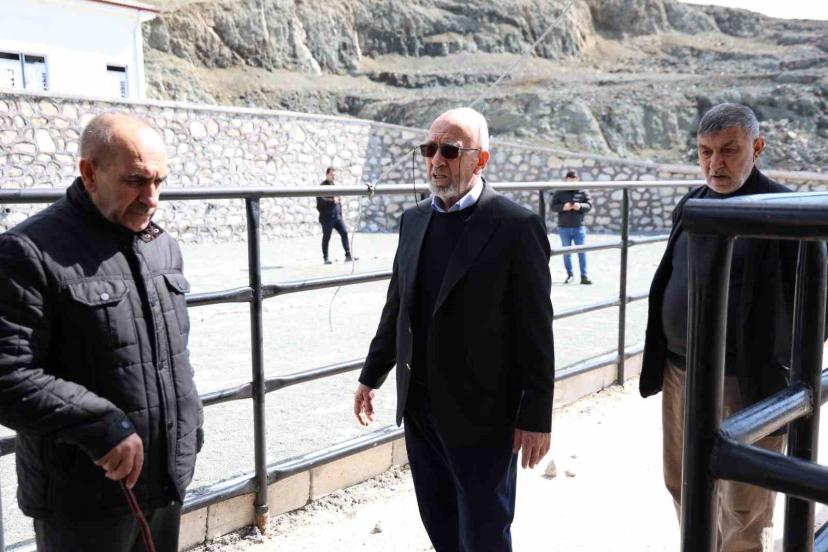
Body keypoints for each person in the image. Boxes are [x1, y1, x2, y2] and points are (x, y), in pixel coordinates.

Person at [353, 107, 555, 552]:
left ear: (481, 159)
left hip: (485, 415)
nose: (436, 160)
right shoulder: (413, 221)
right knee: (440, 526)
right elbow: (397, 307)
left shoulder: (516, 227)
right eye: (429, 149)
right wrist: (372, 375)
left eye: (449, 150)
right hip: (420, 408)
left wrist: (537, 416)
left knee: (484, 533)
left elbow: (537, 332)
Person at [0, 113, 203, 551]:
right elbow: (7, 375)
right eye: (136, 180)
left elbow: (174, 357)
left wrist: (190, 430)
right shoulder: (28, 252)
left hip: (165, 484)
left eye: (159, 182)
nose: (151, 199)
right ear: (89, 173)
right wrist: (99, 425)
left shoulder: (162, 247)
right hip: (82, 499)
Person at [640, 103, 798, 551]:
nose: (715, 164)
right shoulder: (693, 203)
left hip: (744, 384)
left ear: (757, 147)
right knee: (683, 483)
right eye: (705, 152)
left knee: (744, 505)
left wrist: (778, 359)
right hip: (681, 373)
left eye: (729, 150)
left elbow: (815, 304)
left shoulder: (783, 211)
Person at [550, 170, 592, 284]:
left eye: (574, 180)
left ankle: (584, 276)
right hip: (564, 227)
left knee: (582, 252)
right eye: (570, 180)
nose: (572, 182)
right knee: (566, 253)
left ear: (578, 179)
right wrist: (564, 207)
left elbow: (589, 205)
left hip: (579, 227)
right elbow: (553, 207)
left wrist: (580, 206)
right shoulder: (559, 192)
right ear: (566, 180)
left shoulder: (583, 191)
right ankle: (570, 275)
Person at [316, 167, 353, 264]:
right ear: (327, 174)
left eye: (334, 175)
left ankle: (348, 255)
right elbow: (320, 202)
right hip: (327, 218)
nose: (333, 177)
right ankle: (326, 258)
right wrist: (332, 201)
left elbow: (338, 202)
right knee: (327, 237)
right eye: (332, 175)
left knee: (344, 232)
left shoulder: (334, 186)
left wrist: (340, 213)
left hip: (337, 217)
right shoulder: (321, 187)